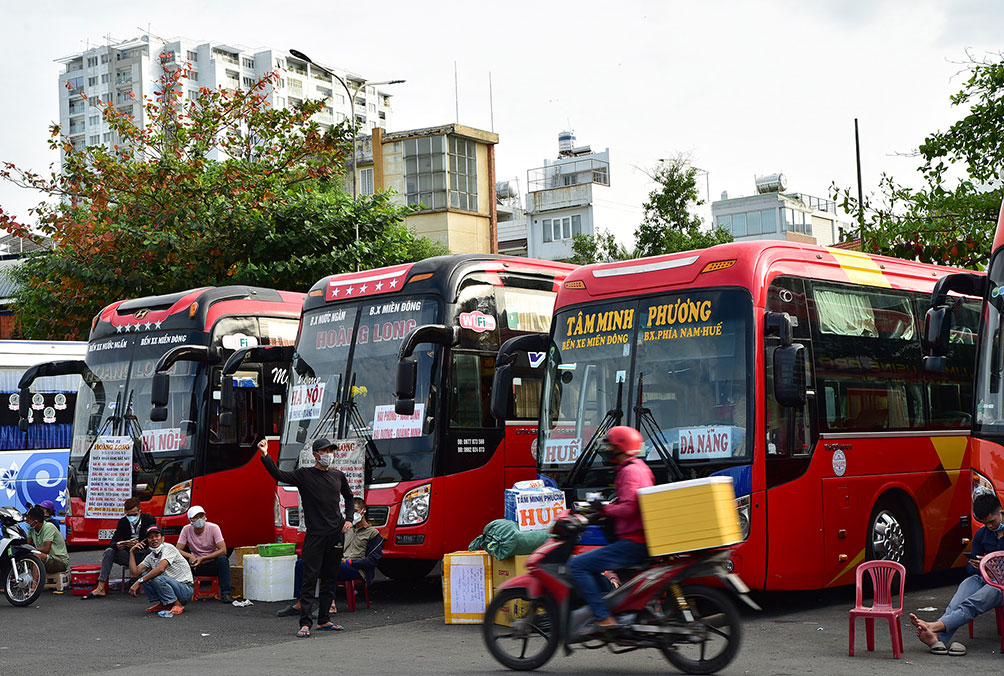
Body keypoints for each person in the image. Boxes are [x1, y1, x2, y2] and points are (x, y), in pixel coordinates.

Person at [259, 437, 354, 637]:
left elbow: (349, 496)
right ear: (316, 454)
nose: (329, 454)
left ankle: (324, 620)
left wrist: (349, 519)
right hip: (315, 535)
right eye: (325, 451)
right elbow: (278, 473)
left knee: (330, 578)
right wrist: (265, 454)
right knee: (310, 579)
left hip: (336, 534)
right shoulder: (304, 474)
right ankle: (305, 623)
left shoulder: (338, 475)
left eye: (331, 451)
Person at [567, 426, 654, 633]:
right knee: (591, 565)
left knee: (577, 565)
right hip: (637, 539)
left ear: (621, 448)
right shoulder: (640, 467)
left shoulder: (629, 471)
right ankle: (610, 605)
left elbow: (629, 507)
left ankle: (603, 616)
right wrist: (603, 510)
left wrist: (605, 508)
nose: (608, 452)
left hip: (632, 542)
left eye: (612, 447)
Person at [910, 492, 1004, 656]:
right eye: (985, 523)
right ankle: (938, 638)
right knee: (959, 599)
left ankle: (934, 627)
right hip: (982, 578)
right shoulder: (982, 534)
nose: (990, 526)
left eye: (992, 522)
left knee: (973, 603)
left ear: (1001, 513)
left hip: (1000, 585)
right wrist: (977, 565)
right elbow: (969, 568)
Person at [82, 497, 157, 599]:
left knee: (153, 550)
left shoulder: (149, 519)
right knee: (109, 551)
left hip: (145, 556)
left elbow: (155, 540)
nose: (132, 517)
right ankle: (100, 587)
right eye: (129, 515)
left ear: (140, 511)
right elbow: (112, 542)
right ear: (125, 512)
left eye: (134, 515)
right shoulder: (123, 522)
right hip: (128, 556)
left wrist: (140, 544)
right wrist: (120, 544)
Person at [128, 524, 193, 615]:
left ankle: (178, 604)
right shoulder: (150, 556)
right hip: (172, 587)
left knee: (155, 577)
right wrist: (131, 552)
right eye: (150, 537)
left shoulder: (168, 548)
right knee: (144, 575)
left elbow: (161, 568)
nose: (154, 539)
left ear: (163, 538)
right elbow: (134, 574)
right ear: (147, 540)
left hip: (185, 590)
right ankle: (164, 603)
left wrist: (139, 582)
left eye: (157, 536)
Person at [177, 505, 233, 603]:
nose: (199, 519)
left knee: (223, 559)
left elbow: (223, 550)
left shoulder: (214, 528)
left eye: (201, 516)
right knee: (179, 560)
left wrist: (203, 558)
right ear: (190, 519)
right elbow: (178, 549)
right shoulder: (186, 529)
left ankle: (226, 593)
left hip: (212, 564)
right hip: (195, 565)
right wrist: (190, 556)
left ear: (205, 517)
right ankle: (181, 593)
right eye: (196, 517)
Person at [340, 497, 382, 583]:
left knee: (330, 569)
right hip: (341, 565)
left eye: (355, 511)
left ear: (363, 511)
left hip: (358, 570)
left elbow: (373, 560)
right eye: (349, 512)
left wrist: (350, 562)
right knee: (308, 563)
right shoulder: (346, 529)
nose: (352, 514)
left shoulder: (373, 533)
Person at [25, 505, 69, 575]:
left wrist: (31, 550)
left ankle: (34, 585)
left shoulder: (48, 527)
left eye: (28, 520)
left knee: (35, 556)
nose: (26, 522)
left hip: (59, 561)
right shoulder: (31, 529)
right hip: (46, 558)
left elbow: (46, 549)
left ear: (36, 521)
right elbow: (28, 544)